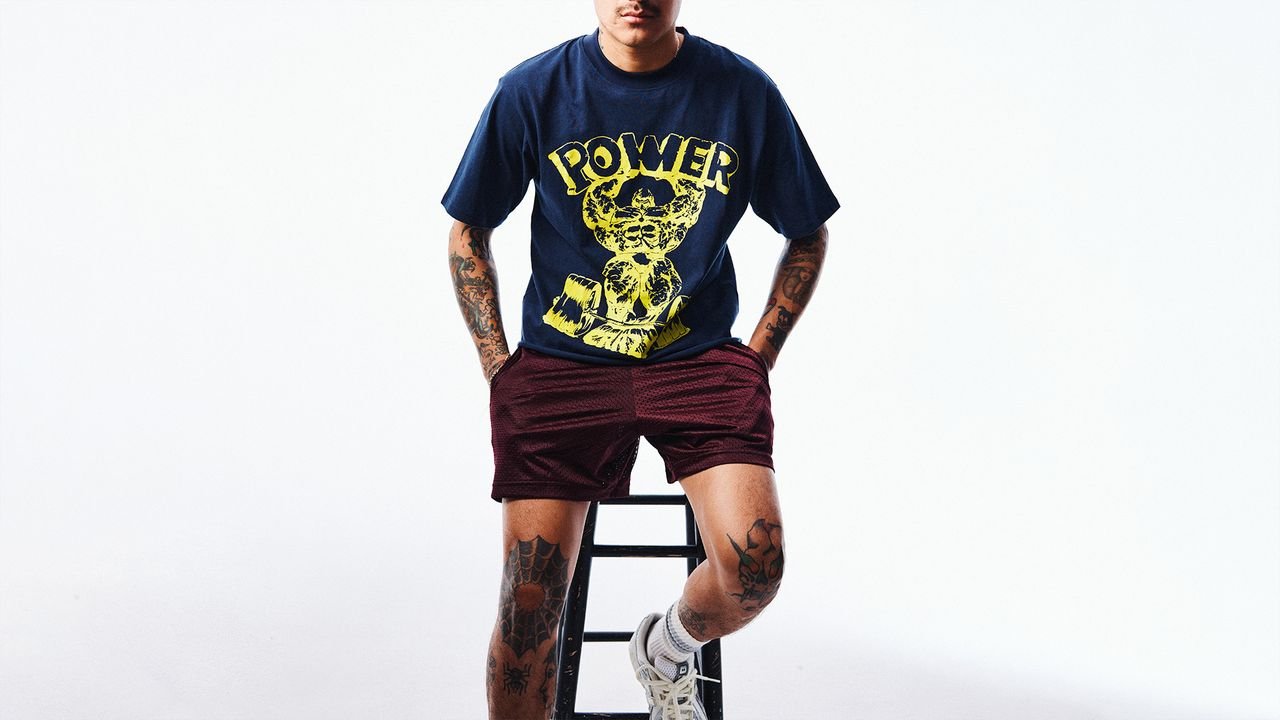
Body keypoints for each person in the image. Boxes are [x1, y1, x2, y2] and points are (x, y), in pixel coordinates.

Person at [443, 1, 837, 718]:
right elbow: (469, 227)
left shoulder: (742, 92)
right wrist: (499, 366)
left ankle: (668, 647)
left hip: (696, 359)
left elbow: (807, 231)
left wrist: (758, 356)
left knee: (756, 570)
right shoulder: (532, 90)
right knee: (529, 608)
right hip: (561, 363)